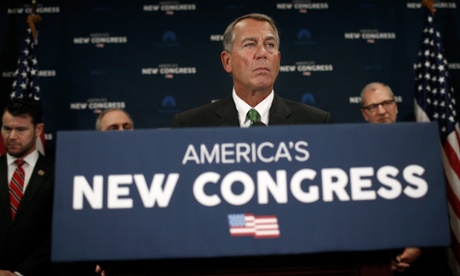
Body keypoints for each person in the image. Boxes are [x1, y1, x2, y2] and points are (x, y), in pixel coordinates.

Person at [172, 13, 331, 127]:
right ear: (227, 61)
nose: (262, 53)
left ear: (278, 60)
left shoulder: (316, 123)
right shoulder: (191, 125)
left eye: (270, 45)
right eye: (250, 44)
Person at [361, 82, 428, 274]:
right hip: (378, 258)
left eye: (386, 103)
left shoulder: (423, 150)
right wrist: (380, 261)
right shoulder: (355, 157)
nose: (382, 111)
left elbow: (433, 205)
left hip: (423, 257)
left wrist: (419, 245)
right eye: (373, 107)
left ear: (396, 106)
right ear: (365, 114)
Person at [0, 98, 54, 275]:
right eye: (7, 129)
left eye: (21, 129)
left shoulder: (57, 173)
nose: (12, 136)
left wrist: (19, 274)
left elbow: (57, 234)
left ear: (38, 130)